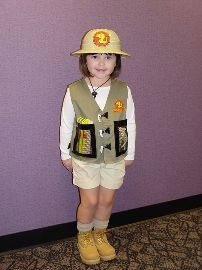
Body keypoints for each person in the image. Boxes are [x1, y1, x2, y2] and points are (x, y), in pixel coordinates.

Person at [60, 28, 136, 265]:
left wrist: (130, 153)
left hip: (115, 156)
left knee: (106, 201)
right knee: (90, 201)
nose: (101, 62)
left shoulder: (124, 90)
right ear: (84, 60)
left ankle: (100, 234)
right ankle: (84, 236)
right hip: (84, 157)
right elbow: (66, 124)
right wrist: (65, 154)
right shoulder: (74, 90)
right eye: (94, 56)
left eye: (108, 56)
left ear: (117, 61)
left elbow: (130, 122)